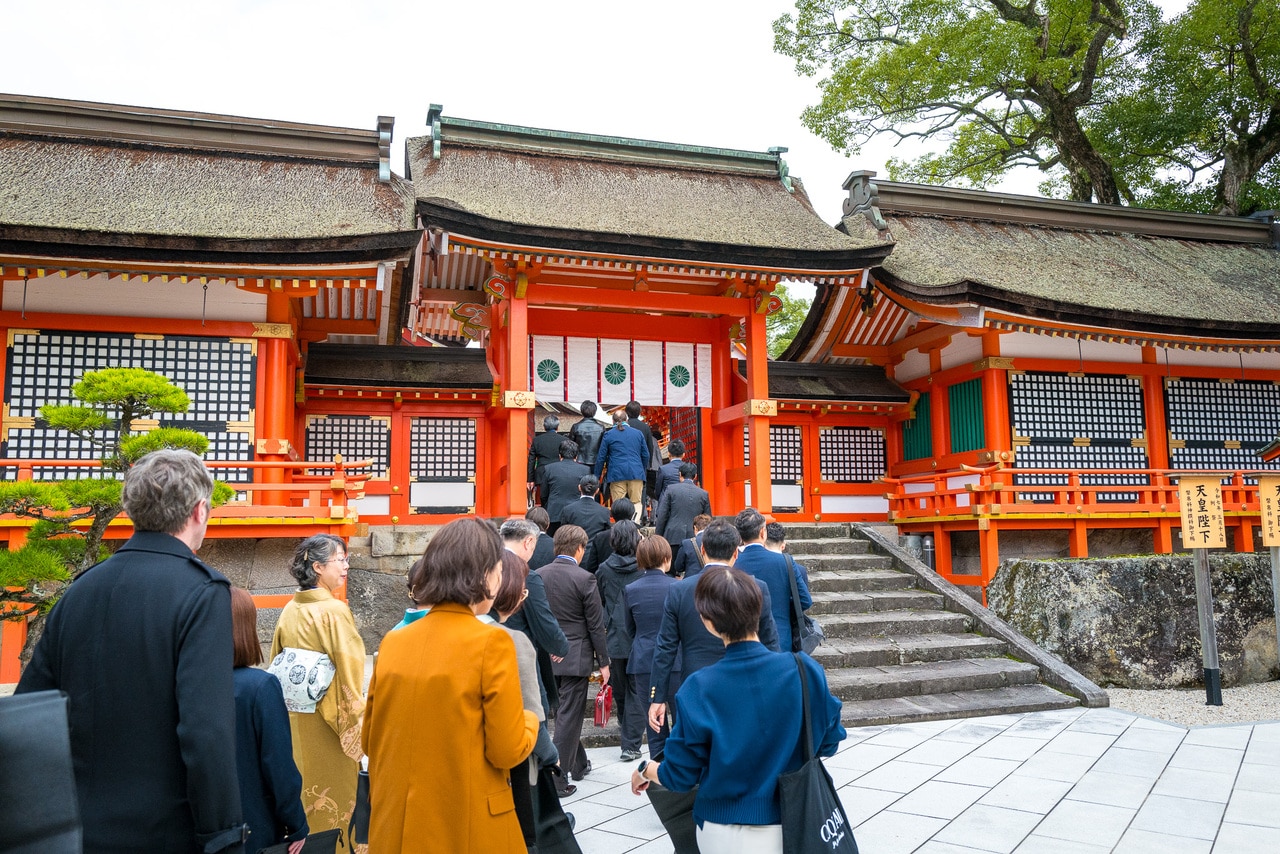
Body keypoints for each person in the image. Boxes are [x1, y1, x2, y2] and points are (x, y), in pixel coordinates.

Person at [16, 449, 246, 854]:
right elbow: (206, 730)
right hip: (162, 830)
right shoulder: (202, 593)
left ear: (131, 508)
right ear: (200, 510)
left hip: (72, 828)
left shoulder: (80, 590)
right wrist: (223, 837)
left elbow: (32, 710)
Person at [631, 566, 846, 854]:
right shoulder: (804, 670)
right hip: (795, 820)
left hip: (723, 829)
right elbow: (830, 742)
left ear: (708, 622)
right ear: (758, 609)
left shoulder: (699, 688)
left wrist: (646, 769)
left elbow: (680, 776)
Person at [363, 517, 539, 853]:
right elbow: (506, 749)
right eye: (499, 570)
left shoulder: (394, 641)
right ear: (485, 574)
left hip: (397, 826)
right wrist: (529, 718)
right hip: (466, 824)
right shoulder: (491, 643)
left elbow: (371, 740)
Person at [270, 534, 366, 838]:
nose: (346, 566)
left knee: (303, 789)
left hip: (295, 717)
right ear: (317, 566)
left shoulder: (290, 609)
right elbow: (349, 669)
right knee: (335, 794)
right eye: (340, 559)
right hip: (328, 721)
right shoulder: (333, 612)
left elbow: (277, 662)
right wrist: (356, 724)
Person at [648, 520, 781, 738]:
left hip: (695, 683)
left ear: (702, 550)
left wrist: (657, 696)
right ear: (736, 553)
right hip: (745, 682)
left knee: (695, 750)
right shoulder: (757, 587)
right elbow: (771, 642)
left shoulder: (679, 590)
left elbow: (665, 648)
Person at [491, 551, 562, 847]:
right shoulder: (513, 642)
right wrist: (552, 755)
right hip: (509, 766)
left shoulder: (401, 638)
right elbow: (530, 716)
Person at [230, 587, 309, 854]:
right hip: (253, 825)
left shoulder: (187, 684)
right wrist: (296, 823)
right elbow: (278, 765)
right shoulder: (260, 687)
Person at [540, 524, 611, 789]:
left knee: (563, 714)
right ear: (580, 548)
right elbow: (596, 625)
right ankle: (557, 779)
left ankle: (579, 763)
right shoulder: (585, 578)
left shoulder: (538, 575)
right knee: (569, 715)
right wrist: (603, 662)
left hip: (546, 655)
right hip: (575, 655)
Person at [501, 517, 568, 721]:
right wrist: (560, 645)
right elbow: (542, 620)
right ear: (528, 542)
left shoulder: (485, 565)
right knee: (534, 714)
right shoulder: (525, 575)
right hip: (519, 655)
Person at [622, 534, 680, 760]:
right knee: (682, 719)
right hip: (676, 659)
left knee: (655, 724)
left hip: (644, 659)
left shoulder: (631, 589)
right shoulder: (678, 586)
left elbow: (630, 629)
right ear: (667, 557)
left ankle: (659, 773)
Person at [594, 520, 645, 761]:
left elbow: (601, 600)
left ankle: (629, 735)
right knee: (637, 689)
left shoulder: (604, 569)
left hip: (614, 632)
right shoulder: (643, 567)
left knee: (622, 689)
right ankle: (631, 741)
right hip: (639, 631)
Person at [733, 508, 812, 653]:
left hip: (740, 638)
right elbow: (805, 600)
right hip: (780, 637)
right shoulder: (784, 561)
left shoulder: (733, 563)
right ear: (763, 532)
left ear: (739, 535)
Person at [594, 409, 649, 511]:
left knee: (618, 505)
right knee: (636, 502)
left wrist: (597, 476)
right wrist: (641, 468)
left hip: (616, 473)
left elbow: (601, 457)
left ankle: (620, 525)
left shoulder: (608, 435)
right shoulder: (638, 433)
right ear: (626, 419)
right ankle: (634, 525)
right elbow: (646, 455)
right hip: (636, 472)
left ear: (613, 421)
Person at [655, 462, 712, 551]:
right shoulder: (703, 494)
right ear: (695, 476)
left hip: (673, 537)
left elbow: (662, 515)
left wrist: (658, 537)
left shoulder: (671, 489)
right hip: (694, 540)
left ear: (680, 474)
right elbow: (707, 519)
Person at [539, 439, 591, 527]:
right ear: (576, 456)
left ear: (560, 455)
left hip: (554, 512)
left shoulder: (549, 469)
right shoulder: (585, 470)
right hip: (577, 513)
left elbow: (543, 494)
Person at [583, 497, 633, 574]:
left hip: (605, 580)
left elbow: (591, 567)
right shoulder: (639, 535)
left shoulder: (600, 537)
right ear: (632, 514)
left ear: (611, 514)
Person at [559, 474, 612, 541]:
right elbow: (607, 536)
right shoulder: (604, 511)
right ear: (597, 490)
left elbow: (563, 534)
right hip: (595, 549)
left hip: (574, 549)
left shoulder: (568, 510)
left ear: (579, 488)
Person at [527, 414, 565, 502]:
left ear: (544, 427)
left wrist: (530, 479)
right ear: (557, 427)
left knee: (543, 499)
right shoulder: (564, 440)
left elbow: (531, 460)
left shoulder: (537, 440)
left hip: (542, 473)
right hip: (558, 472)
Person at [671, 513, 712, 578]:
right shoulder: (717, 542)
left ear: (695, 528)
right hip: (712, 579)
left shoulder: (686, 543)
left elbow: (678, 567)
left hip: (691, 581)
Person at [568, 400, 605, 468]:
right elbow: (603, 446)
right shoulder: (601, 428)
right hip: (596, 461)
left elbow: (571, 445)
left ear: (582, 411)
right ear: (594, 412)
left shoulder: (576, 427)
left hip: (579, 460)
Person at [654, 439, 687, 503]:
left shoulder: (663, 469)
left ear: (668, 454)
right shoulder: (689, 468)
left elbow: (657, 491)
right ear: (683, 454)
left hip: (667, 503)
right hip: (684, 503)